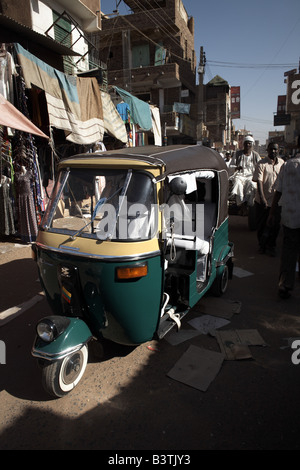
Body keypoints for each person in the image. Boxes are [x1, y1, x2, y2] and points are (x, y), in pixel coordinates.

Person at [268, 150, 300, 299]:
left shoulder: (287, 165)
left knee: (288, 251)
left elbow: (278, 191)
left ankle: (285, 285)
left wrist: (272, 213)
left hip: (290, 216)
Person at [252, 142, 284, 256]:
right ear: (267, 150)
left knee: (275, 225)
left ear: (278, 150)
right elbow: (259, 182)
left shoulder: (282, 164)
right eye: (271, 149)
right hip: (262, 201)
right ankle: (262, 246)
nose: (273, 151)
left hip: (276, 202)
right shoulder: (261, 164)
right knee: (261, 225)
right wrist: (262, 199)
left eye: (275, 149)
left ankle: (271, 246)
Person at [229, 135, 260, 207]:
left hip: (251, 176)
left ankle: (249, 205)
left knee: (252, 185)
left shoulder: (256, 155)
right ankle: (241, 204)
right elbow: (231, 166)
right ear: (243, 144)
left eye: (249, 143)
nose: (247, 145)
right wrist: (236, 168)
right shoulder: (238, 154)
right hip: (239, 175)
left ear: (252, 144)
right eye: (246, 143)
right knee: (238, 184)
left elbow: (259, 167)